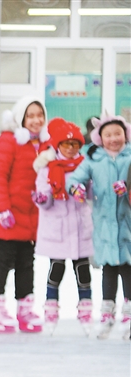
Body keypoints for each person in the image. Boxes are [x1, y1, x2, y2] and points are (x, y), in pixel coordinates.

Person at [0, 95, 48, 333]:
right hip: (7, 216)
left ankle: (25, 307)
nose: (35, 120)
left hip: (29, 218)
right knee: (3, 262)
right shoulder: (9, 140)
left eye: (39, 115)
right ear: (21, 118)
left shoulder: (43, 146)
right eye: (30, 116)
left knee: (25, 264)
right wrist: (2, 209)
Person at [67, 112, 131, 340]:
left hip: (128, 224)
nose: (114, 138)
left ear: (125, 134)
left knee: (128, 267)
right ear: (100, 138)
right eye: (108, 134)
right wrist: (77, 189)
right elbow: (74, 179)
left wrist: (128, 188)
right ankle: (107, 312)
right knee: (109, 268)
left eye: (118, 134)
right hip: (104, 225)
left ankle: (129, 311)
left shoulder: (130, 157)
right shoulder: (94, 159)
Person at [31, 117, 93, 336]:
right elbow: (44, 201)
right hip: (57, 229)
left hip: (79, 227)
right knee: (56, 269)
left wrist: (84, 192)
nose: (70, 148)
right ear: (58, 145)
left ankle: (86, 311)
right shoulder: (47, 169)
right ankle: (50, 311)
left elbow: (93, 192)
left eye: (74, 144)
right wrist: (41, 198)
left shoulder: (85, 165)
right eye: (66, 144)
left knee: (83, 270)